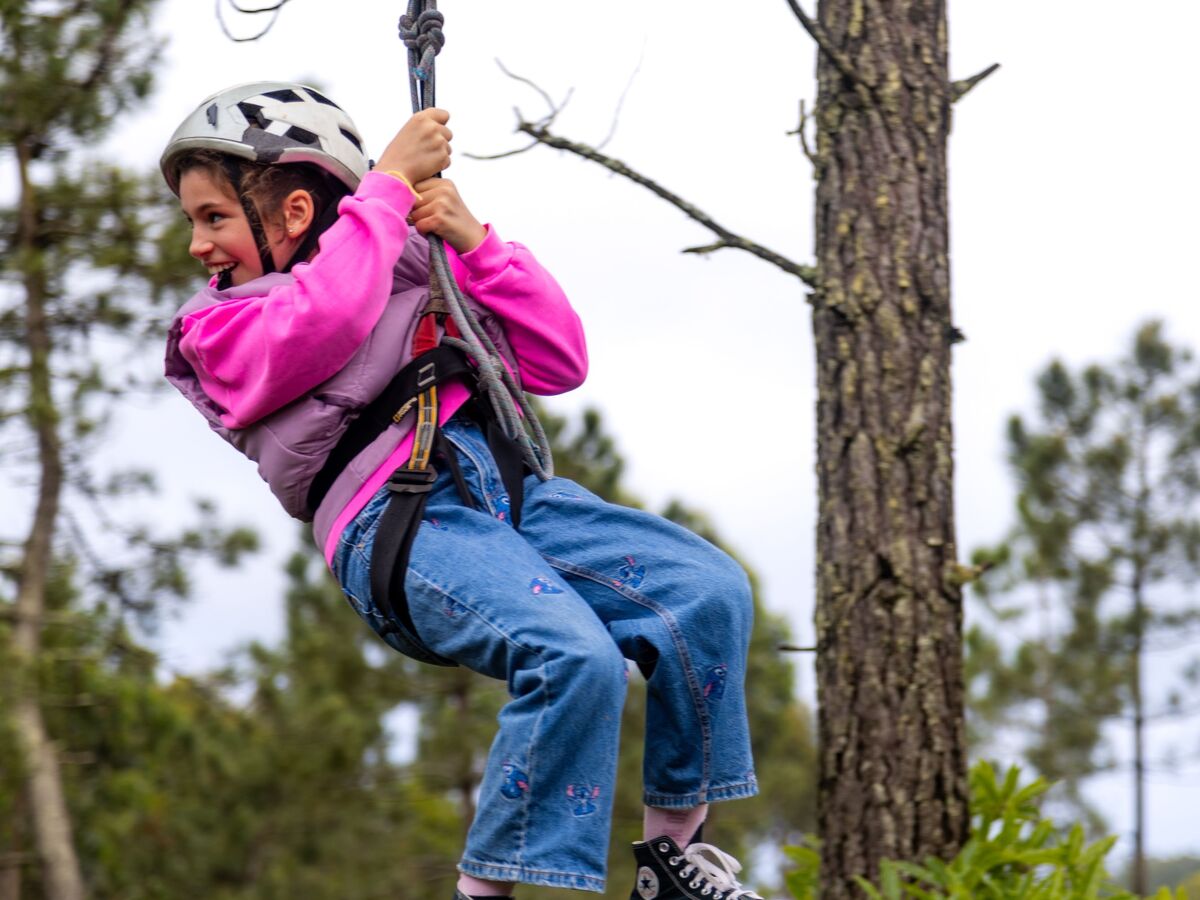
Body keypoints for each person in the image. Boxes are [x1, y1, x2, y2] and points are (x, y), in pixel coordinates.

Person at [161, 82, 764, 900]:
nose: (198, 244)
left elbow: (558, 360)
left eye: (213, 218)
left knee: (706, 592)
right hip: (400, 521)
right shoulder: (215, 331)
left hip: (509, 498)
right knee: (572, 656)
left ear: (294, 213)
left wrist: (474, 243)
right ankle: (483, 894)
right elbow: (325, 320)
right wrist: (387, 190)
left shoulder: (410, 256)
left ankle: (673, 860)